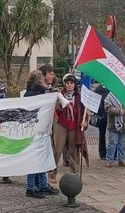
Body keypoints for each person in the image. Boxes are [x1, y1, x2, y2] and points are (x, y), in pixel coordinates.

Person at [23, 70, 60, 198]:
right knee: (35, 158)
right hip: (37, 130)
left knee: (41, 157)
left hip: (38, 129)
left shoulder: (31, 92)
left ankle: (42, 185)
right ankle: (31, 187)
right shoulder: (37, 93)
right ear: (40, 80)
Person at [48, 75, 88, 182]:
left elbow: (84, 112)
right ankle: (52, 174)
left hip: (74, 126)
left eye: (71, 83)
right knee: (57, 149)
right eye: (67, 83)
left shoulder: (79, 97)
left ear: (75, 85)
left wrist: (85, 122)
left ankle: (74, 174)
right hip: (61, 124)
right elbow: (55, 110)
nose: (69, 85)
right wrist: (61, 103)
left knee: (74, 151)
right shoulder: (60, 95)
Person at [104, 92, 125, 168]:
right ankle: (109, 160)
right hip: (114, 125)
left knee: (122, 143)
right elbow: (107, 108)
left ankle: (121, 160)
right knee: (112, 143)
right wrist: (118, 111)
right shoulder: (110, 95)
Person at [93, 82, 110, 160]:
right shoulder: (99, 89)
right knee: (102, 134)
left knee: (113, 136)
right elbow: (94, 101)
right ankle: (103, 153)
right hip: (102, 115)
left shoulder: (113, 88)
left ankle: (112, 153)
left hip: (112, 115)